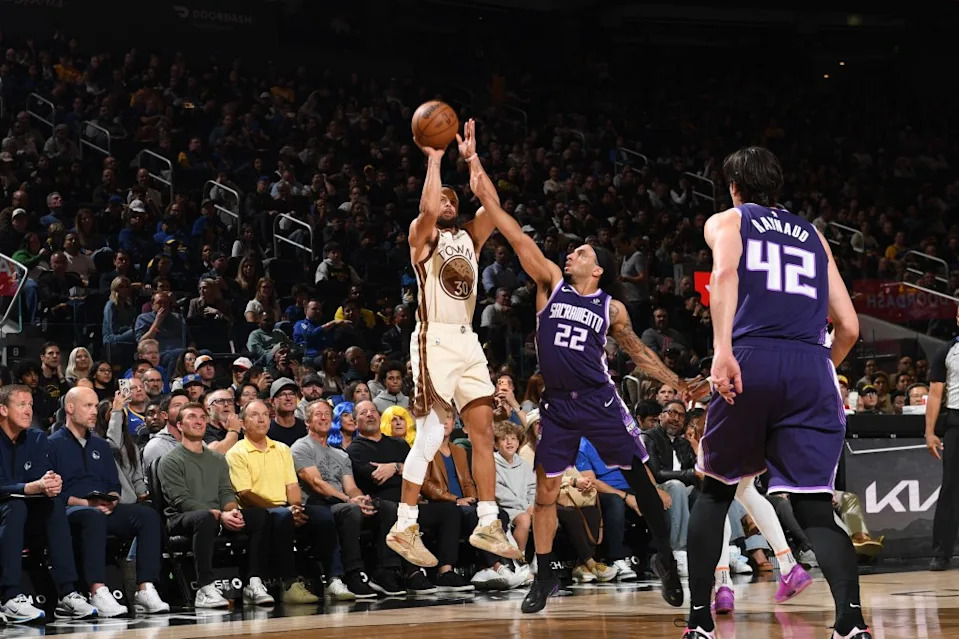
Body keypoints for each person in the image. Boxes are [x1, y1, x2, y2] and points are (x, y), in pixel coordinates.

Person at [464, 118, 707, 614]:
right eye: (572, 250)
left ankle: (664, 559)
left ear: (597, 271)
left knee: (642, 480)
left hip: (599, 400)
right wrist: (473, 163)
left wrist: (679, 383)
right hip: (556, 406)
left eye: (582, 252)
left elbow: (639, 353)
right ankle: (547, 574)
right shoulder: (550, 283)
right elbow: (507, 226)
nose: (571, 253)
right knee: (547, 490)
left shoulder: (611, 308)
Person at [684, 147, 868, 639]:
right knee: (815, 506)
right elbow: (848, 326)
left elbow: (723, 275)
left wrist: (722, 351)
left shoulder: (727, 219)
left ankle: (699, 623)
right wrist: (817, 371)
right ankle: (851, 623)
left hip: (751, 358)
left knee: (715, 489)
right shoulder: (814, 235)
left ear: (734, 187)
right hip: (811, 364)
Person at [387, 120, 519, 569]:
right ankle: (404, 524)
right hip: (434, 337)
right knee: (431, 432)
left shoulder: (469, 237)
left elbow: (493, 206)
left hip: (468, 341)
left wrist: (472, 159)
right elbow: (425, 208)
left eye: (450, 199)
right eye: (440, 197)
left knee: (482, 430)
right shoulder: (423, 238)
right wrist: (435, 158)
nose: (445, 202)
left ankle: (487, 519)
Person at [48, 387, 169, 616]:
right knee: (92, 516)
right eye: (88, 406)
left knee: (147, 515)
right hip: (70, 510)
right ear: (70, 408)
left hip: (102, 507)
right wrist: (84, 504)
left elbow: (113, 485)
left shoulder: (101, 445)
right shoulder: (52, 444)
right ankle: (97, 590)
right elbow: (51, 490)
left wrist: (112, 499)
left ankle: (145, 588)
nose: (94, 411)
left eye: (95, 406)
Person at [157, 402, 274, 609]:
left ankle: (254, 582)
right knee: (205, 518)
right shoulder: (170, 460)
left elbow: (225, 492)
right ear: (180, 425)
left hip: (217, 515)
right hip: (181, 518)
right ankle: (205, 588)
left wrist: (232, 512)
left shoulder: (218, 459)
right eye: (192, 417)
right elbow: (181, 500)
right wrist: (220, 516)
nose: (199, 421)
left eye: (202, 417)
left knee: (260, 516)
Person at [0, 385, 99, 622]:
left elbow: (39, 478)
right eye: (21, 404)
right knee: (15, 506)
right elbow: (21, 486)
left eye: (30, 405)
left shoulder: (36, 437)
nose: (28, 411)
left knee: (53, 505)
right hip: (7, 509)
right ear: (3, 409)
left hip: (24, 512)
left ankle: (68, 593)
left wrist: (51, 483)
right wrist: (26, 488)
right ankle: (9, 597)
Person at [925, 304, 959, 571]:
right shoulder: (946, 350)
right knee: (950, 488)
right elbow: (935, 393)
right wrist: (930, 431)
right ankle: (941, 552)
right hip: (956, 421)